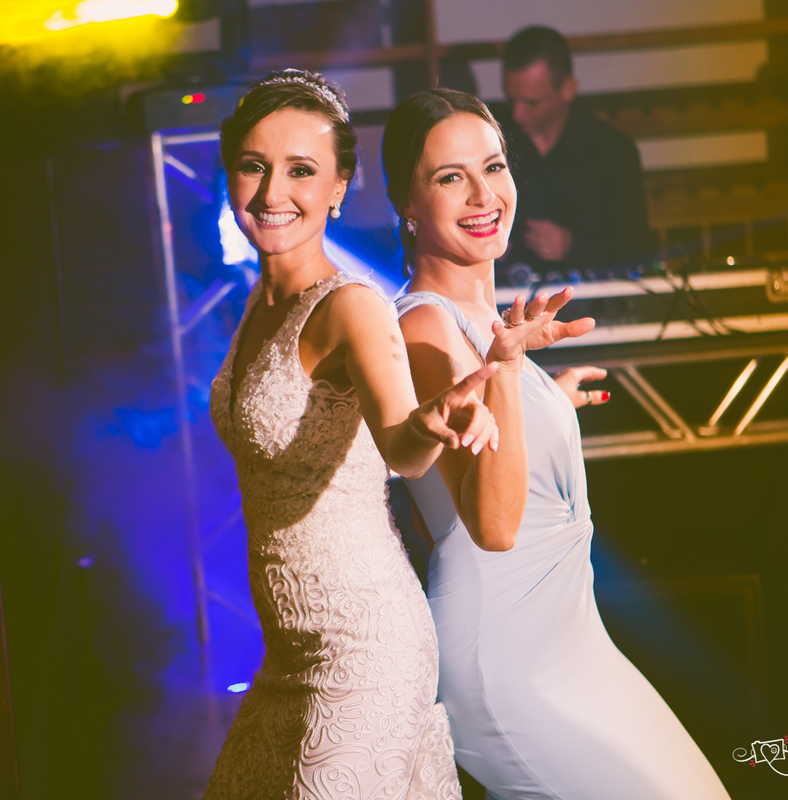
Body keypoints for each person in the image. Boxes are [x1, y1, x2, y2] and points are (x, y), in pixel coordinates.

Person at [383, 88, 733, 799]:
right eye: (450, 177)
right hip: (508, 656)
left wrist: (547, 400)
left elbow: (488, 447)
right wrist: (513, 373)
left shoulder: (482, 318)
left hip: (573, 637)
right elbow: (491, 526)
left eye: (494, 166)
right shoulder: (423, 327)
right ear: (407, 203)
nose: (484, 195)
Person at [203, 70, 501, 800]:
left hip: (364, 649)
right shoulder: (257, 303)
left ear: (339, 187)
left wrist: (432, 422)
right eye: (254, 166)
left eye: (301, 170)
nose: (273, 192)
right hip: (286, 656)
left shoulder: (351, 307)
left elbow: (401, 446)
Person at [498, 26, 653, 275]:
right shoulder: (496, 144)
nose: (517, 114)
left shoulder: (614, 152)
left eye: (532, 102)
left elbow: (636, 251)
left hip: (597, 293)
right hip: (510, 293)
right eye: (511, 99)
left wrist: (573, 247)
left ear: (568, 89)